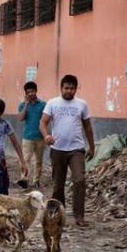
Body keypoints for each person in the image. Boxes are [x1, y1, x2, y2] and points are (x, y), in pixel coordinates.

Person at [40, 74, 95, 228]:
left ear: (76, 89)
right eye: (66, 88)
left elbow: (88, 126)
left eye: (72, 88)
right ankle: (59, 213)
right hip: (57, 149)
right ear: (61, 88)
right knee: (58, 184)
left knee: (79, 180)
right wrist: (46, 136)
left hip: (76, 149)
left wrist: (92, 146)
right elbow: (43, 123)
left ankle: (79, 215)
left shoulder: (82, 104)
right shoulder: (52, 103)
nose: (69, 91)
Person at [17, 81, 46, 188]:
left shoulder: (43, 105)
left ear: (36, 91)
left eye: (32, 91)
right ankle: (24, 179)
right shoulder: (23, 105)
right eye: (28, 92)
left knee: (38, 161)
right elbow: (20, 118)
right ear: (26, 93)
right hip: (27, 137)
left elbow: (46, 119)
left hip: (40, 137)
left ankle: (36, 180)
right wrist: (26, 104)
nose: (31, 94)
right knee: (25, 160)